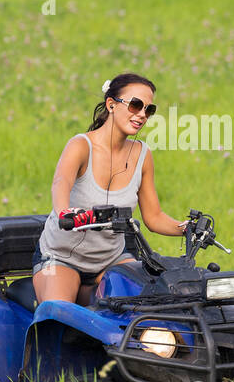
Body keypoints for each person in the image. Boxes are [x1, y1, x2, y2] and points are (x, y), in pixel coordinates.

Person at [32, 72, 186, 305]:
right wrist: (65, 212)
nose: (142, 115)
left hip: (111, 259)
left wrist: (188, 229)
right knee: (58, 315)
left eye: (149, 109)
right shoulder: (81, 145)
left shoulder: (142, 155)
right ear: (111, 105)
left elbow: (154, 217)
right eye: (135, 105)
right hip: (62, 258)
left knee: (146, 303)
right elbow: (60, 182)